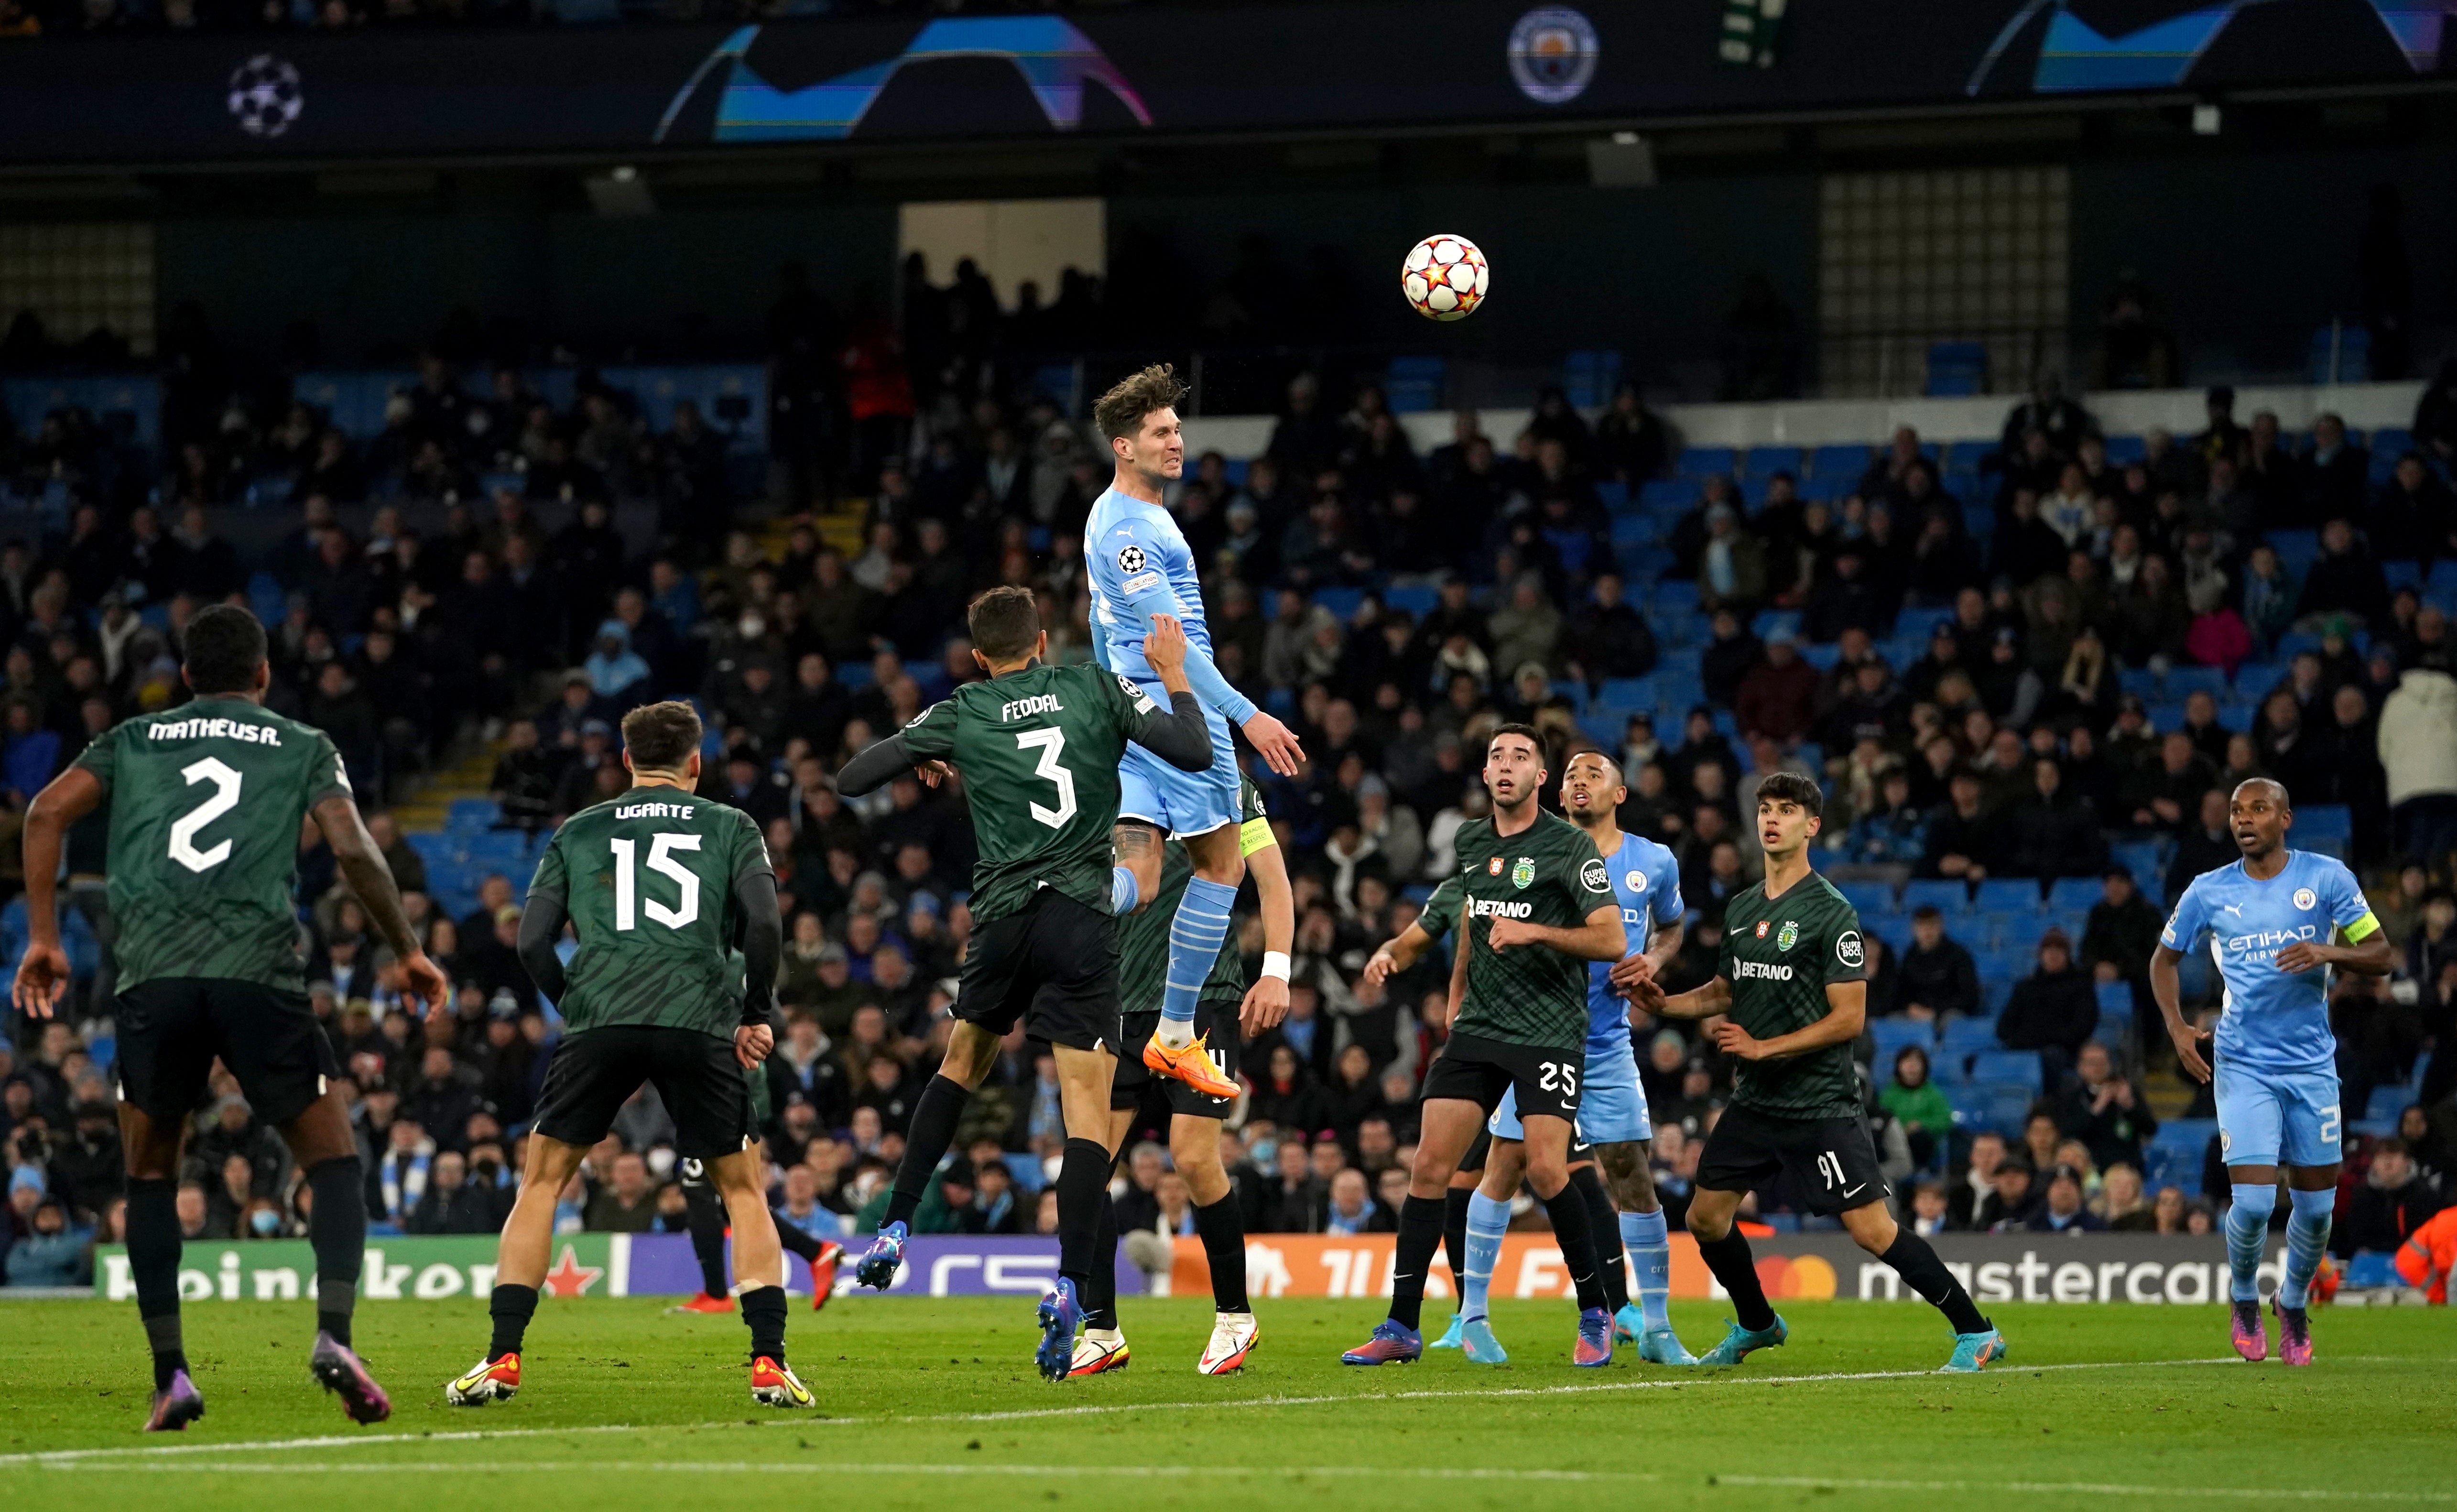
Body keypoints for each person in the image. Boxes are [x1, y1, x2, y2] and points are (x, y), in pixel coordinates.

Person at [11, 604, 448, 1433]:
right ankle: (335, 1333)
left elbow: (43, 812)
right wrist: (407, 948)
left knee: (150, 1173)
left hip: (155, 977)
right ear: (263, 674)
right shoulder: (301, 742)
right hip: (258, 972)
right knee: (333, 1158)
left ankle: (171, 1374)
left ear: (184, 676)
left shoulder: (133, 738)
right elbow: (352, 845)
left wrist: (43, 936)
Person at [833, 587, 1213, 1382]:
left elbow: (854, 779)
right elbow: (1190, 748)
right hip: (1080, 918)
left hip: (1003, 919)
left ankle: (896, 1222)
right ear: (1043, 641)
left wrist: (927, 747)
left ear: (979, 657)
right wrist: (1175, 673)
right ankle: (1071, 1284)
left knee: (960, 1064)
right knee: (1086, 1113)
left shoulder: (964, 708)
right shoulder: (1095, 686)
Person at [445, 700, 812, 1410]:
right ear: (696, 762)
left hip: (601, 1018)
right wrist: (753, 1012)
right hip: (698, 1018)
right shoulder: (731, 825)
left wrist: (575, 1003)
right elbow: (766, 924)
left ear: (625, 760)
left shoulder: (579, 829)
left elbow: (530, 941)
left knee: (542, 1183)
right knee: (743, 1190)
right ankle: (769, 1362)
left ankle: (501, 1357)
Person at [1629, 772, 2005, 1371]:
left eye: (1786, 810)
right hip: (1757, 1103)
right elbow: (1725, 989)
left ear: (1812, 826)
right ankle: (1757, 1323)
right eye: (1765, 809)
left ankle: (1976, 1330)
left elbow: (1848, 1018)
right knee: (1705, 1217)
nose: (1771, 819)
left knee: (1872, 1231)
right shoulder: (1742, 907)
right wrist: (1664, 1003)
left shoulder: (1832, 912)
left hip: (1819, 1103)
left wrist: (1764, 1047)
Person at [1339, 725, 1626, 1367]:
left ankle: (1595, 1311)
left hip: (1548, 1031)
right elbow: (1457, 921)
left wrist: (1535, 931)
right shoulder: (1471, 841)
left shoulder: (1569, 845)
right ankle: (1401, 1325)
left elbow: (1610, 939)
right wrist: (1425, 971)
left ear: (1540, 777)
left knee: (1548, 1170)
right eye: (1497, 755)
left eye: (1520, 757)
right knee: (1428, 1167)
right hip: (1480, 1028)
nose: (1506, 765)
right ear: (1485, 772)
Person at [1085, 366, 1305, 1103]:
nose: (1176, 441)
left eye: (1177, 429)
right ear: (1124, 445)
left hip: (1129, 715)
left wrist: (1110, 692)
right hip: (1178, 714)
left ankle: (1054, 906)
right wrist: (1247, 715)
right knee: (1221, 865)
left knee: (1141, 877)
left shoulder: (1114, 512)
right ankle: (1176, 1034)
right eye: (1160, 432)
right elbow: (1174, 648)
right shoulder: (1132, 534)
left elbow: (1103, 624)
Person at [1445, 751, 1693, 1366]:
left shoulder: (1653, 861)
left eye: (1594, 774)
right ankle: (1471, 1317)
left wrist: (1655, 958)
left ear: (1620, 793)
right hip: (1530, 1033)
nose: (1580, 781)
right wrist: (1460, 994)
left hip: (1605, 1042)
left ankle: (1657, 1326)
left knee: (1630, 1171)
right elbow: (1478, 921)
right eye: (1572, 775)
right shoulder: (1535, 850)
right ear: (1558, 794)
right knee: (1505, 1165)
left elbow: (1672, 925)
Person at [2151, 777, 2393, 1367]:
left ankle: (2292, 1301)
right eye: (2237, 810)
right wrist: (2177, 1027)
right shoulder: (2209, 890)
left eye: (2258, 808)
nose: (2244, 818)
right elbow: (2163, 960)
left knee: (2315, 1210)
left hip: (2311, 1064)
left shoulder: (2327, 878)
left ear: (2284, 819)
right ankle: (2242, 1296)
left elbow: (2381, 955)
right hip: (2243, 1062)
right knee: (2256, 1202)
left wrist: (2328, 951)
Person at [1075, 774, 1294, 1378]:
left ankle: (1234, 1316)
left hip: (1202, 999)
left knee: (1194, 1158)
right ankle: (1101, 1330)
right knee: (1089, 1166)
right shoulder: (1102, 773)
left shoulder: (1225, 781)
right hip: (1117, 1001)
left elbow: (1272, 880)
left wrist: (1275, 971)